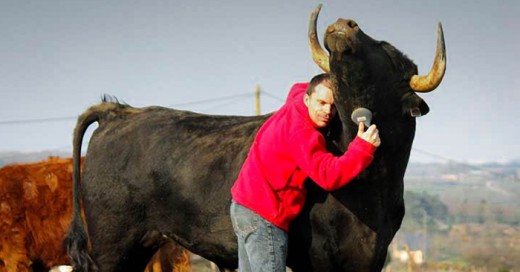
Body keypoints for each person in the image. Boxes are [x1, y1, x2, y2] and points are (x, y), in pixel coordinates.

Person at [230, 73, 381, 272]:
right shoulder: (302, 134)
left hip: (242, 207)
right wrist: (363, 148)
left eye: (333, 105)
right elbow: (328, 175)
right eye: (321, 103)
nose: (328, 111)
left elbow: (298, 86)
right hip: (264, 217)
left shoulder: (296, 101)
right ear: (307, 99)